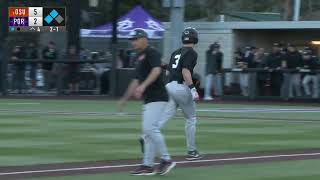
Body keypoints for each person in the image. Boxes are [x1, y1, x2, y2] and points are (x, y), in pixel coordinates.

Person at [117, 29, 175, 176]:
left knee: (149, 128)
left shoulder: (152, 52)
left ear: (144, 39)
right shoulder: (140, 56)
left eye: (136, 39)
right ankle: (147, 165)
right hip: (149, 98)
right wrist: (125, 98)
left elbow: (156, 71)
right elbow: (135, 80)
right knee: (148, 133)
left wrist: (143, 86)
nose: (133, 41)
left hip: (158, 96)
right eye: (132, 39)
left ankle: (166, 159)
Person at [158, 27, 201, 160]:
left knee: (164, 117)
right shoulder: (192, 53)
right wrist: (193, 89)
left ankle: (147, 136)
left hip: (169, 85)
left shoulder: (176, 52)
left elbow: (167, 71)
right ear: (195, 38)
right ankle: (191, 151)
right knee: (191, 119)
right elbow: (185, 72)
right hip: (181, 87)